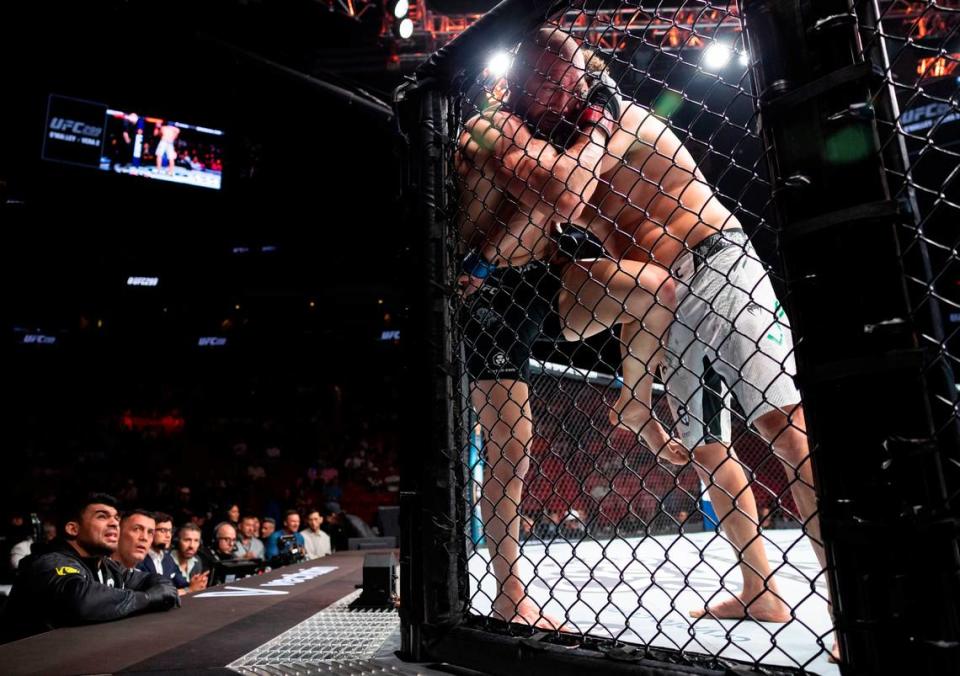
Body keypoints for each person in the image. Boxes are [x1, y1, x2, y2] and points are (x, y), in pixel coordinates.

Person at [462, 25, 824, 628]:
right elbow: (566, 226)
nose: (547, 83)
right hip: (671, 296)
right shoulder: (553, 137)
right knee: (710, 449)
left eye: (561, 70)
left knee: (783, 427)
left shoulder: (618, 118)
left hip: (715, 261)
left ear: (586, 75)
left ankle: (847, 602)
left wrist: (552, 132)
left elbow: (569, 193)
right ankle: (761, 589)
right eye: (535, 74)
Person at [0, 494, 178, 642]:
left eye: (116, 518)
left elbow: (152, 580)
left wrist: (161, 589)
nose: (114, 523)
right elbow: (81, 600)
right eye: (102, 516)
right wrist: (148, 598)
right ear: (72, 528)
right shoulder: (48, 562)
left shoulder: (107, 566)